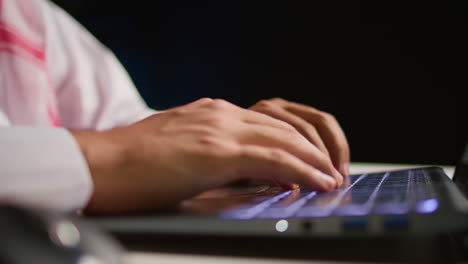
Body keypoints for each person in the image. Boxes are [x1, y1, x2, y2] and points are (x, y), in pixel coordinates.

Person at [0, 0, 350, 215]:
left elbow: (123, 126)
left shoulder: (27, 13)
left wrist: (237, 146)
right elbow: (121, 149)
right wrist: (112, 158)